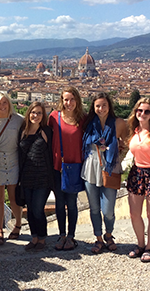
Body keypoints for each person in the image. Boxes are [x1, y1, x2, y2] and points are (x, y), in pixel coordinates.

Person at [81, 92, 127, 254]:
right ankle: (99, 238)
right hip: (90, 168)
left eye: (104, 105)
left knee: (108, 210)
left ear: (109, 106)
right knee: (94, 208)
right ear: (93, 107)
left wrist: (119, 156)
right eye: (98, 106)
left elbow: (129, 143)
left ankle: (109, 234)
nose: (101, 109)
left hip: (110, 169)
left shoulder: (119, 123)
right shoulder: (88, 123)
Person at [48, 87, 86, 251]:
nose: (68, 103)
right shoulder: (53, 117)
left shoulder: (82, 119)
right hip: (58, 166)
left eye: (71, 99)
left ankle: (71, 236)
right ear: (61, 101)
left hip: (75, 166)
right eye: (65, 99)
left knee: (71, 203)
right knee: (59, 202)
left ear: (77, 100)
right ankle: (61, 234)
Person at [126, 98, 150, 262]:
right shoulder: (133, 131)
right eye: (139, 110)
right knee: (134, 214)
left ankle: (149, 248)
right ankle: (140, 245)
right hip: (136, 172)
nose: (142, 114)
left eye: (147, 111)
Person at [18, 102, 53, 252]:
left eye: (39, 113)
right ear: (28, 113)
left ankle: (42, 238)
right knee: (30, 209)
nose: (36, 116)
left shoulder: (46, 131)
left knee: (38, 209)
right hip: (26, 177)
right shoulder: (23, 131)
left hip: (43, 177)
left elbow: (52, 154)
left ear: (43, 116)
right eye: (33, 112)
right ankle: (34, 238)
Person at [0, 91, 23, 245]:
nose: (2, 106)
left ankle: (17, 225)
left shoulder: (19, 120)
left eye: (5, 102)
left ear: (9, 104)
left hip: (13, 160)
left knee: (14, 197)